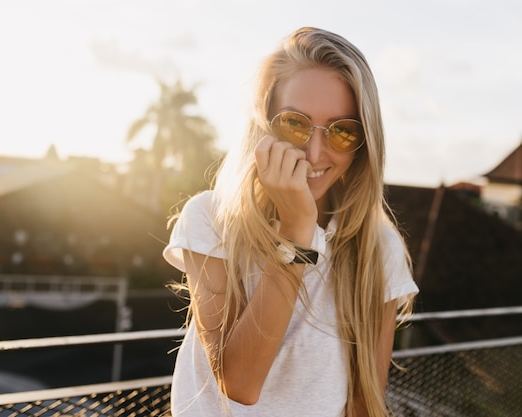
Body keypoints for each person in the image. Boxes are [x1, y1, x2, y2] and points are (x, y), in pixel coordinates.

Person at [163, 26, 419, 417]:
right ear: (264, 122)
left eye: (343, 132)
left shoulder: (378, 251)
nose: (315, 153)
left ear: (364, 143)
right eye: (295, 123)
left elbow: (364, 404)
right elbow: (240, 384)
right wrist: (298, 231)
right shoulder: (211, 220)